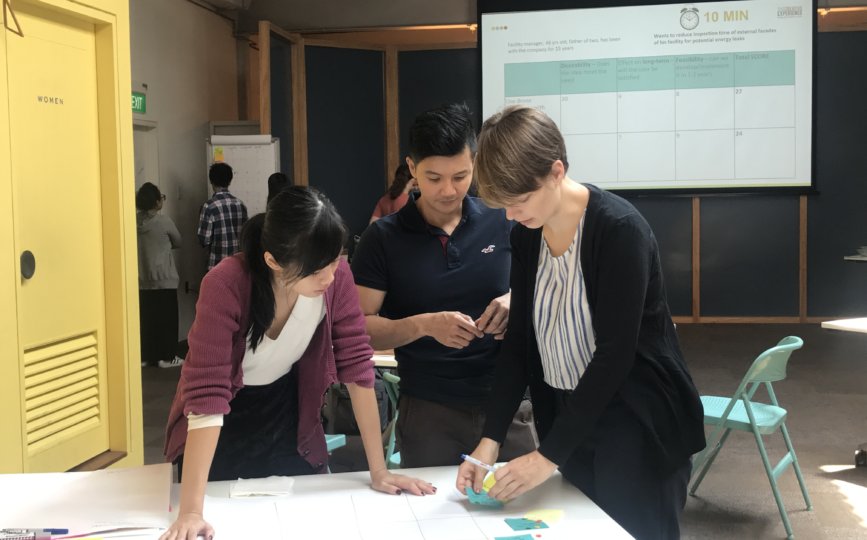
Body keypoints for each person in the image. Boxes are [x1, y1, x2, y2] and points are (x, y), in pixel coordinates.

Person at [456, 105, 706, 540]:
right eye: (504, 205)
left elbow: (615, 356)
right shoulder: (526, 234)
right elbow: (520, 343)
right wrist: (489, 440)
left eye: (519, 201)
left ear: (556, 172)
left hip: (637, 420)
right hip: (570, 417)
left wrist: (546, 457)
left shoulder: (619, 230)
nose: (511, 215)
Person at [163, 187, 434, 540]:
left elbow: (357, 366)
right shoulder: (226, 284)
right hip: (219, 423)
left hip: (288, 411)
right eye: (316, 270)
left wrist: (379, 471)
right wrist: (191, 512)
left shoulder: (336, 279)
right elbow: (207, 395)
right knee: (227, 518)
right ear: (273, 261)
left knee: (297, 519)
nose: (330, 277)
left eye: (336, 260)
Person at [351, 103, 537, 469]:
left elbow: (546, 289)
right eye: (434, 178)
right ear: (412, 168)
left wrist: (516, 299)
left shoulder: (505, 220)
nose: (448, 190)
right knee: (432, 505)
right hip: (429, 411)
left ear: (475, 164)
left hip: (509, 403)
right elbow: (360, 331)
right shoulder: (383, 239)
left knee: (528, 503)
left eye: (460, 176)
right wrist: (424, 325)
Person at [135, 182, 184, 369]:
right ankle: (167, 357)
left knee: (146, 320)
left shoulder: (132, 221)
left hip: (142, 279)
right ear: (156, 202)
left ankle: (145, 357)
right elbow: (178, 241)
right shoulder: (163, 221)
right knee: (167, 319)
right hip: (164, 277)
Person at [198, 162, 248, 270]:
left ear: (211, 181)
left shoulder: (209, 206)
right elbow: (245, 236)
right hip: (239, 265)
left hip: (217, 265)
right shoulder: (240, 204)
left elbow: (204, 240)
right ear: (230, 181)